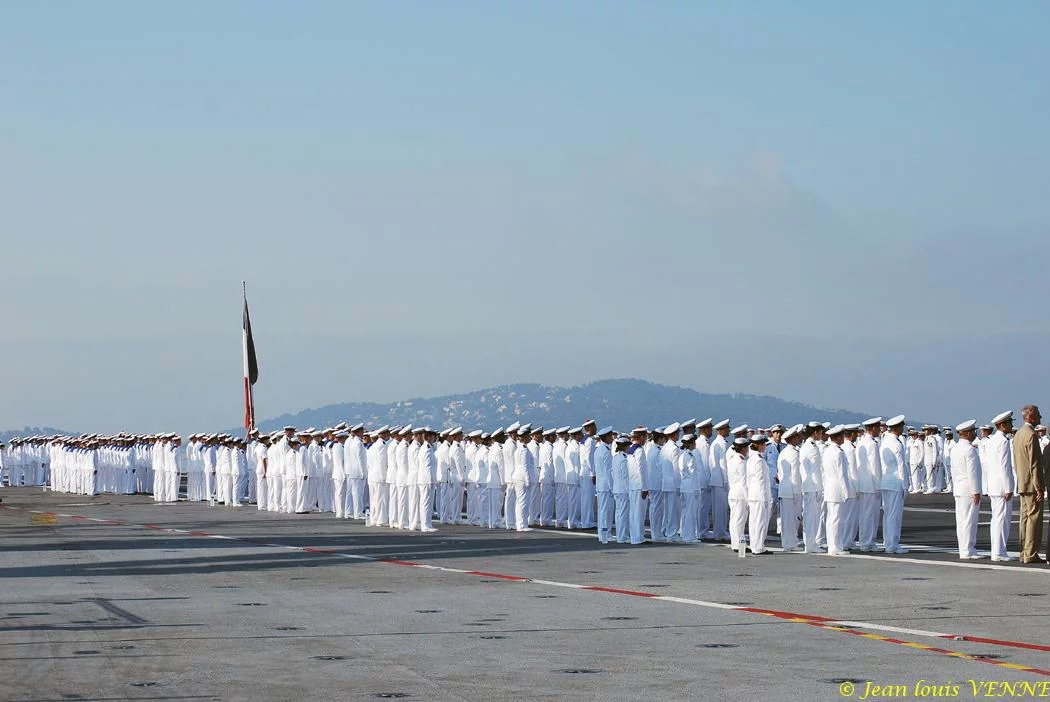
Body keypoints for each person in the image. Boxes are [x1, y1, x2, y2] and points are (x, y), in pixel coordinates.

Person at [1013, 405, 1044, 564]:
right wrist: (1039, 486)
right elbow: (1034, 464)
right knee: (1033, 520)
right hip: (1031, 485)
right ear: (1031, 417)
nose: (1040, 417)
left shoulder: (1018, 434)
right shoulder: (1031, 435)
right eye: (1038, 415)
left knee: (1024, 519)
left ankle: (1024, 553)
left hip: (1022, 482)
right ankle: (1031, 553)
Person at [984, 411, 1017, 562]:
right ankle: (999, 552)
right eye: (1009, 423)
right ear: (1002, 425)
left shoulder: (992, 441)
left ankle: (997, 550)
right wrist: (1009, 487)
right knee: (1002, 520)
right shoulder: (1003, 441)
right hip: (1002, 487)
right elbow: (1004, 466)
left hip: (994, 486)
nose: (1011, 425)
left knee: (997, 519)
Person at [950, 420, 982, 559]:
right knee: (969, 520)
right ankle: (968, 550)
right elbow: (972, 472)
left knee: (962, 520)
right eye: (973, 431)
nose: (975, 433)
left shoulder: (956, 448)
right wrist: (975, 491)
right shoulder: (969, 449)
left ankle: (964, 548)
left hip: (959, 488)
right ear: (968, 433)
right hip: (968, 488)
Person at [879, 415, 909, 554]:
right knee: (894, 515)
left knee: (887, 515)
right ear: (896, 428)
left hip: (885, 481)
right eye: (901, 426)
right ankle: (893, 544)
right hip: (896, 481)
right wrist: (905, 485)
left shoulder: (884, 441)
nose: (903, 428)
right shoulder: (897, 444)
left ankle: (888, 542)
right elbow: (901, 465)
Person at [854, 418, 883, 552]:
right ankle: (867, 542)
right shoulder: (872, 444)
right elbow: (875, 467)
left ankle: (865, 541)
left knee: (865, 514)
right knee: (871, 515)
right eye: (877, 427)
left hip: (863, 483)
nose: (879, 430)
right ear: (873, 428)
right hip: (871, 484)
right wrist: (878, 486)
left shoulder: (862, 442)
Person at [822, 425, 851, 555]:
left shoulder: (827, 451)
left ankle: (833, 545)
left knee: (832, 519)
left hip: (829, 487)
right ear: (838, 437)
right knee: (837, 519)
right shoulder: (838, 452)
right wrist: (846, 491)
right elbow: (842, 475)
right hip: (837, 488)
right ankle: (835, 547)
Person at [776, 425, 803, 552]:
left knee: (787, 518)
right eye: (797, 436)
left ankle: (788, 542)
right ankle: (790, 543)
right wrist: (798, 491)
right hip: (792, 489)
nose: (799, 438)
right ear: (792, 438)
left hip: (784, 489)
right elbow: (796, 475)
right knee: (792, 518)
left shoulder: (783, 452)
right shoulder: (794, 454)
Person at [799, 423, 825, 553]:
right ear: (815, 433)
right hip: (813, 487)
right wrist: (819, 488)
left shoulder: (807, 446)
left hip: (809, 486)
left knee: (811, 516)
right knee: (812, 517)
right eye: (820, 432)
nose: (821, 435)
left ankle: (810, 543)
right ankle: (810, 544)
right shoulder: (812, 447)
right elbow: (815, 471)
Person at [746, 434, 772, 554]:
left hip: (753, 494)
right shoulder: (759, 460)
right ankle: (759, 546)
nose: (765, 446)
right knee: (761, 521)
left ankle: (754, 545)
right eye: (763, 444)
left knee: (754, 521)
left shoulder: (751, 459)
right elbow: (761, 480)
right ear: (759, 445)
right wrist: (765, 498)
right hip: (760, 495)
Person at [727, 436, 750, 554]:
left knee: (734, 520)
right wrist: (748, 498)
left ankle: (735, 544)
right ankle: (740, 546)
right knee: (740, 521)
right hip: (741, 494)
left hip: (733, 492)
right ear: (743, 448)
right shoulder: (741, 462)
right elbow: (744, 481)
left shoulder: (732, 460)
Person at [593, 427, 615, 543]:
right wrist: (612, 487)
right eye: (611, 436)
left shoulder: (598, 450)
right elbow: (609, 472)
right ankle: (606, 534)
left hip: (600, 485)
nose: (612, 438)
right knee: (607, 510)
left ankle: (602, 533)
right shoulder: (606, 452)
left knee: (602, 510)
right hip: (606, 485)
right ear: (607, 437)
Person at [611, 436, 632, 543]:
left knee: (619, 513)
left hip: (617, 488)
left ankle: (621, 535)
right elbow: (626, 476)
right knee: (623, 513)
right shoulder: (624, 458)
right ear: (625, 447)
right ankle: (622, 536)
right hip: (623, 489)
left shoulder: (615, 457)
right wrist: (630, 490)